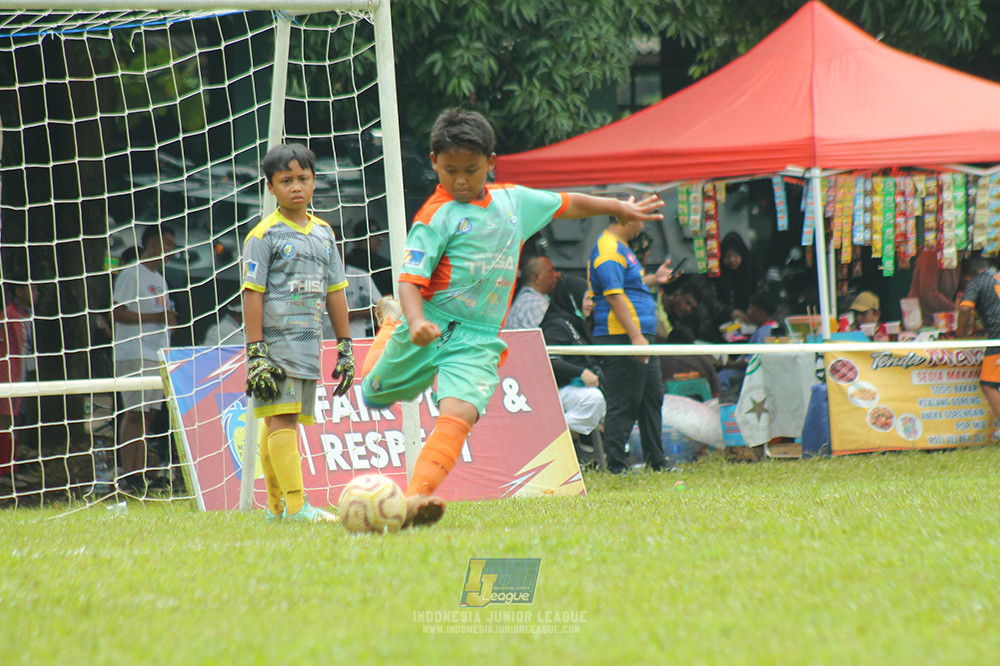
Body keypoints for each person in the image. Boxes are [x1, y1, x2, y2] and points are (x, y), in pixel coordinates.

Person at [360, 108, 664, 526]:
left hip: (477, 338)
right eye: (450, 171)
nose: (461, 180)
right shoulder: (435, 216)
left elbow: (569, 203)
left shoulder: (513, 201)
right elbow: (410, 281)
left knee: (461, 412)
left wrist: (617, 205)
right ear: (434, 163)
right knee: (372, 395)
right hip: (425, 322)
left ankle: (415, 499)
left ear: (491, 162)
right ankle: (388, 324)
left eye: (471, 169)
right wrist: (411, 322)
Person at [242, 143, 355, 522]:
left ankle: (277, 508)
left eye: (302, 178)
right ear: (270, 187)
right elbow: (252, 295)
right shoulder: (264, 236)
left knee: (277, 419)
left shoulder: (324, 233)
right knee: (283, 419)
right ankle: (296, 506)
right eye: (285, 180)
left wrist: (345, 345)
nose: (296, 187)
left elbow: (336, 292)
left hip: (309, 345)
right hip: (277, 346)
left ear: (313, 181)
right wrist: (256, 352)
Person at [589, 212, 677, 475]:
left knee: (651, 396)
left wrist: (654, 279)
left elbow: (628, 285)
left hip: (639, 336)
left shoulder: (622, 248)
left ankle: (657, 461)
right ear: (625, 219)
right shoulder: (607, 247)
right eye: (639, 217)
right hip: (623, 335)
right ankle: (616, 465)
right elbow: (614, 296)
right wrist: (635, 336)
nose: (643, 222)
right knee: (625, 400)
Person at [112, 225, 178, 493]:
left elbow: (166, 316)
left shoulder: (160, 279)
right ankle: (128, 473)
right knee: (135, 413)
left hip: (156, 354)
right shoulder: (132, 273)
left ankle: (140, 474)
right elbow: (118, 312)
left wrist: (168, 324)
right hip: (133, 352)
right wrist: (157, 318)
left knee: (148, 416)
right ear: (152, 242)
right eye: (168, 242)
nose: (172, 249)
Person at [540, 276, 606, 460]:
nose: (590, 304)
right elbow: (550, 360)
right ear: (571, 297)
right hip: (557, 392)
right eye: (586, 298)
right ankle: (550, 436)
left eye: (592, 299)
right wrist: (580, 373)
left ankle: (578, 440)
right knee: (593, 399)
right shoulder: (556, 325)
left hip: (575, 391)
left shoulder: (576, 324)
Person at [955, 253, 1000, 429]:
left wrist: (960, 333)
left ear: (967, 275)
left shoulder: (977, 282)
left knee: (989, 384)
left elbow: (965, 308)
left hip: (998, 337)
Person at [0, 281, 27, 481]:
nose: (37, 293)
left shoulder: (23, 315)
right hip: (7, 377)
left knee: (13, 423)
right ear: (19, 291)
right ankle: (5, 471)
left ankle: (12, 469)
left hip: (19, 376)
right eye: (32, 288)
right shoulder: (8, 316)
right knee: (5, 422)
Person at [710, 231, 760, 325]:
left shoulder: (752, 271)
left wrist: (751, 311)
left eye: (735, 256)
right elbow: (711, 300)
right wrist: (730, 312)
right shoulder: (715, 275)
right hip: (721, 325)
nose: (732, 260)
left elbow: (759, 294)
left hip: (750, 322)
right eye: (727, 256)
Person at [659, 326, 721, 399]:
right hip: (698, 397)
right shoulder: (699, 357)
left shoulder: (661, 356)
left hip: (669, 396)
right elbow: (715, 385)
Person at [908, 243, 959, 328]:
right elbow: (928, 292)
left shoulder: (953, 257)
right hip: (923, 323)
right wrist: (956, 310)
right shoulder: (931, 254)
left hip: (943, 321)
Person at [505, 255, 559, 329]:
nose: (557, 274)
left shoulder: (525, 298)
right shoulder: (536, 304)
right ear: (538, 278)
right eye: (551, 271)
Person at [345, 218, 393, 297]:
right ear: (361, 238)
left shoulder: (344, 261)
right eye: (376, 238)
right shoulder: (382, 264)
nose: (379, 241)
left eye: (381, 238)